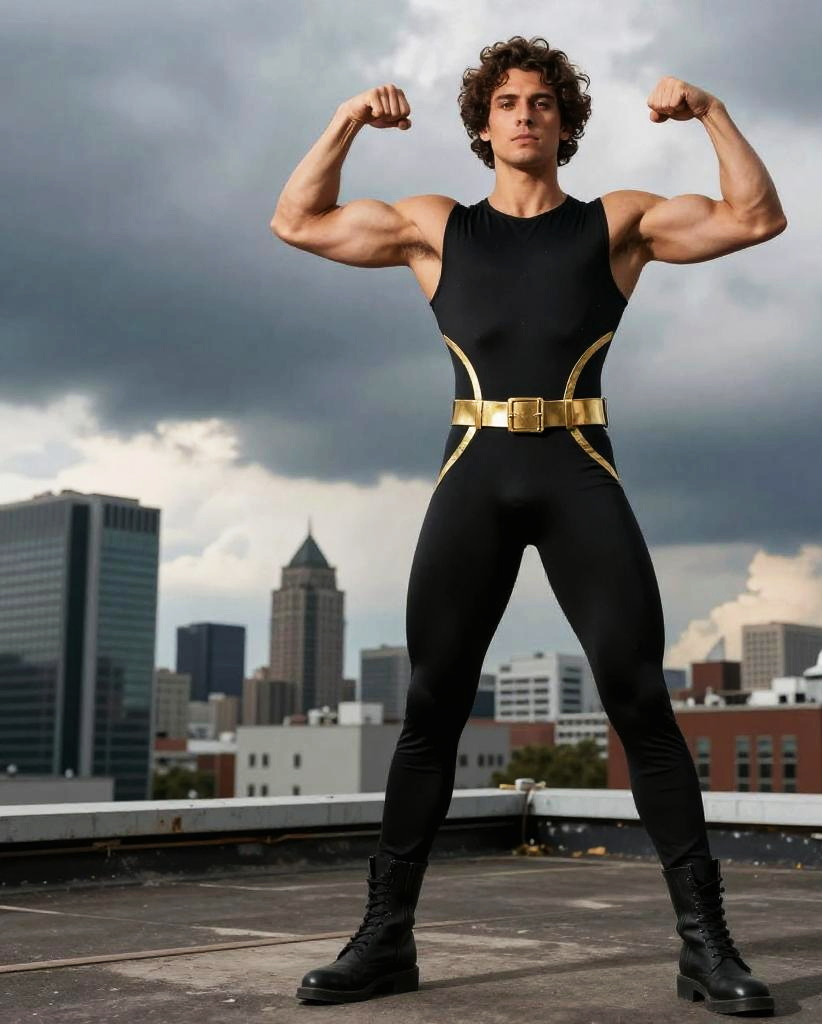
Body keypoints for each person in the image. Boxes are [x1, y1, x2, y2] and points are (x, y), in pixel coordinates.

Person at [270, 36, 786, 1016]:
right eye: (506, 102)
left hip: (578, 468)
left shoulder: (615, 224)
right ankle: (384, 940)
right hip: (475, 470)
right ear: (481, 123)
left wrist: (709, 110)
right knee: (430, 705)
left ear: (563, 122)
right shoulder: (433, 228)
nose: (523, 115)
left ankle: (705, 945)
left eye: (541, 102)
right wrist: (346, 119)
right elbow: (295, 219)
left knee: (639, 696)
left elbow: (756, 217)